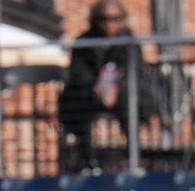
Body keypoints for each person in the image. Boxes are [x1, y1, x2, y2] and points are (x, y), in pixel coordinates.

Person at [58, 0, 159, 173]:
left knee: (130, 96)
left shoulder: (129, 42)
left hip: (124, 93)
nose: (109, 24)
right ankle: (88, 159)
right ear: (95, 20)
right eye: (104, 19)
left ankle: (134, 157)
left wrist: (116, 87)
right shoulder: (84, 42)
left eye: (115, 19)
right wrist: (96, 86)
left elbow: (134, 71)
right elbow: (78, 72)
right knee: (77, 99)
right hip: (90, 93)